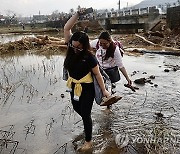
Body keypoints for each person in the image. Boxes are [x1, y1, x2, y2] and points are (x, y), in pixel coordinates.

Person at [63, 10, 121, 151]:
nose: (75, 49)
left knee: (85, 114)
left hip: (87, 88)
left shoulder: (89, 57)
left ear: (84, 46)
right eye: (73, 45)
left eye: (78, 47)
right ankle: (88, 123)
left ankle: (88, 141)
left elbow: (98, 75)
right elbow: (66, 28)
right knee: (79, 110)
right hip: (73, 87)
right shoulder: (70, 48)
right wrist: (77, 14)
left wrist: (105, 91)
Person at [90, 31, 132, 108]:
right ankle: (104, 101)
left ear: (109, 42)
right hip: (100, 70)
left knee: (109, 88)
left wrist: (127, 78)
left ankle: (109, 106)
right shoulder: (96, 43)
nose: (102, 45)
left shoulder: (115, 50)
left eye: (105, 44)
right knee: (99, 87)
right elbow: (87, 46)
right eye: (101, 43)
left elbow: (121, 66)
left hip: (111, 71)